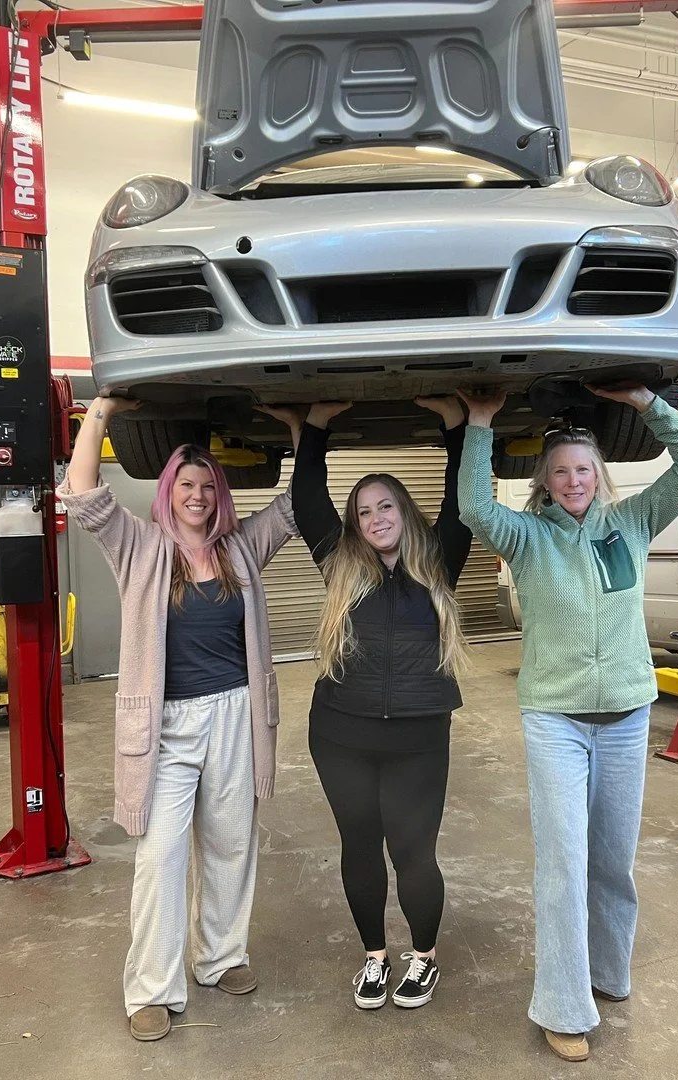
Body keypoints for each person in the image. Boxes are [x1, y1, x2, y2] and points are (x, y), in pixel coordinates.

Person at [456, 383, 678, 1063]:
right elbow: (474, 508)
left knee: (612, 859)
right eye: (561, 471)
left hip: (628, 713)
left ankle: (606, 972)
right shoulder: (528, 537)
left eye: (584, 469)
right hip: (557, 719)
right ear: (544, 482)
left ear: (599, 476)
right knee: (565, 862)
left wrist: (644, 402)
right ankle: (565, 1007)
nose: (574, 481)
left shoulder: (630, 522)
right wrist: (480, 422)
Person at [59, 397, 301, 1044]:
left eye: (206, 485)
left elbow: (297, 506)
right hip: (166, 726)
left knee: (231, 843)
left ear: (221, 493)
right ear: (168, 491)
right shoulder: (138, 545)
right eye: (186, 485)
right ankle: (152, 987)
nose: (197, 495)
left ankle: (220, 957)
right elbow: (82, 491)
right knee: (161, 854)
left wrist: (308, 432)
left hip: (235, 717)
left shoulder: (240, 548)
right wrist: (103, 408)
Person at [259, 396, 472, 1011]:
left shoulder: (440, 565)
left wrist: (459, 427)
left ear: (404, 511)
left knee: (413, 854)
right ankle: (376, 957)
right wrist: (316, 426)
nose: (376, 517)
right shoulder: (340, 565)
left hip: (417, 737)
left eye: (386, 505)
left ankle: (423, 956)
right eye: (364, 511)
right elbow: (307, 502)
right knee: (359, 846)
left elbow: (460, 504)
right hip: (340, 735)